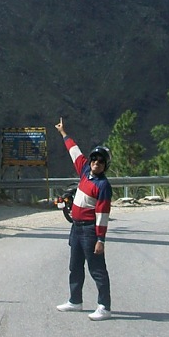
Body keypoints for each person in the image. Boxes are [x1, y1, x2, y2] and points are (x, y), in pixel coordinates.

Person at [54, 118, 113, 321]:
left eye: (100, 161)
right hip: (76, 228)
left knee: (97, 269)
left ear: (105, 165)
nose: (96, 163)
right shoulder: (85, 171)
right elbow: (74, 151)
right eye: (94, 159)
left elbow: (102, 213)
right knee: (75, 266)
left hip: (90, 230)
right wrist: (63, 133)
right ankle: (75, 301)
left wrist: (100, 239)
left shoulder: (103, 185)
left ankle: (104, 307)